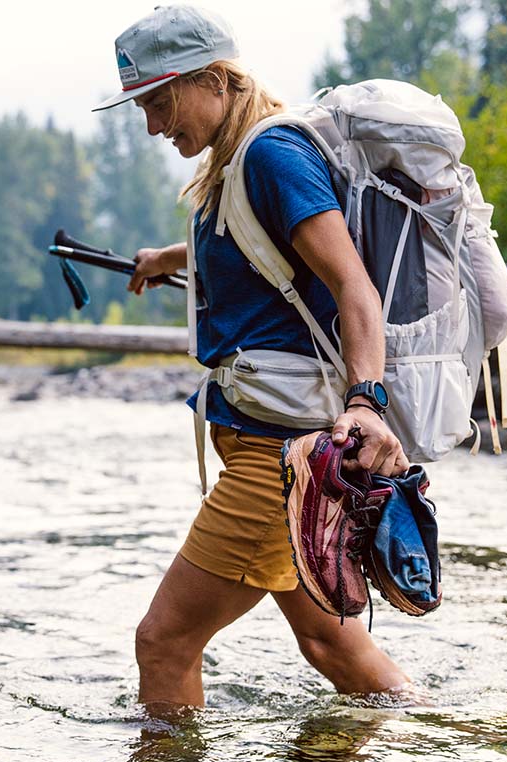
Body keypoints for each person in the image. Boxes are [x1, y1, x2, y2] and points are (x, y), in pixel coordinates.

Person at [92, 5, 412, 712]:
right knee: (331, 646)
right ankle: (421, 739)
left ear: (215, 78)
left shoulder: (271, 155)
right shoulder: (233, 166)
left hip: (279, 457)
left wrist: (367, 398)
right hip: (268, 449)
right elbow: (261, 249)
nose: (151, 124)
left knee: (164, 641)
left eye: (159, 100)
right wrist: (171, 257)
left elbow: (351, 283)